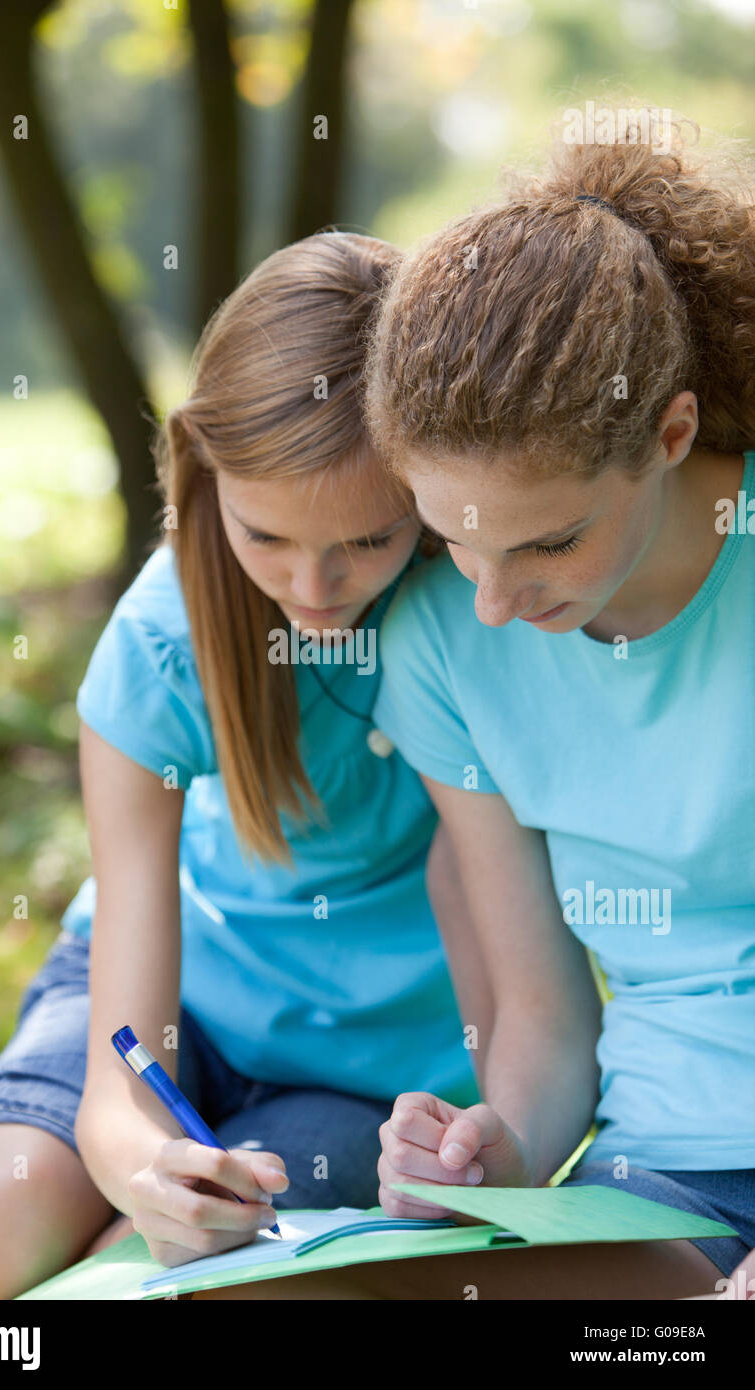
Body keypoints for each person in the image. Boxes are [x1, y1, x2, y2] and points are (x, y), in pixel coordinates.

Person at [190, 109, 755, 1301]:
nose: (492, 603)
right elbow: (544, 1018)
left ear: (670, 432)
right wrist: (493, 1148)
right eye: (452, 541)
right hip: (672, 1177)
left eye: (545, 541)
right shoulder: (442, 641)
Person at [0, 232, 491, 1300]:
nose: (313, 587)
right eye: (266, 536)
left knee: (214, 1268)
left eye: (365, 539)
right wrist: (131, 1157)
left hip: (365, 1069)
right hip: (170, 1002)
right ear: (203, 472)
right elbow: (128, 1042)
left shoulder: (478, 614)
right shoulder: (161, 641)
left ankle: (105, 1217)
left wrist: (156, 1206)